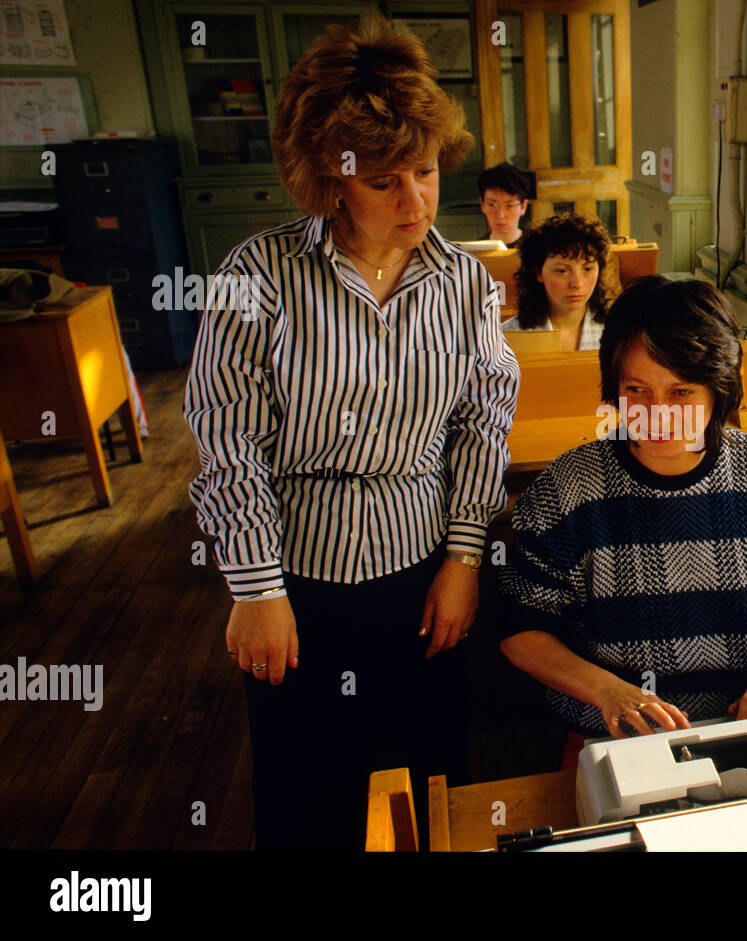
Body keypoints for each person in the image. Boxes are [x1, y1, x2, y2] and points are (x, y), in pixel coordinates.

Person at [183, 16, 520, 850]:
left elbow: (482, 427)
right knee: (308, 793)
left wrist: (465, 559)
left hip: (422, 571)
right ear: (329, 180)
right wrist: (257, 589)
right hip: (296, 577)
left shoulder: (467, 287)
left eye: (427, 171)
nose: (414, 202)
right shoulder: (255, 276)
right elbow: (228, 439)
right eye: (382, 182)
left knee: (427, 779)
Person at [497, 276, 747, 768]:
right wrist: (608, 692)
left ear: (719, 391)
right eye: (636, 389)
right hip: (615, 742)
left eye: (681, 392)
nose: (657, 414)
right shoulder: (566, 489)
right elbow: (520, 629)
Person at [500, 214, 611, 352]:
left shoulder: (617, 330)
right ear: (538, 272)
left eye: (587, 269)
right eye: (562, 271)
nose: (577, 283)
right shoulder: (508, 335)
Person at [477, 162, 534, 248]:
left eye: (509, 205)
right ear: (482, 205)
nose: (500, 215)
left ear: (523, 207)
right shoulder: (475, 253)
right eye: (492, 205)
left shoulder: (538, 247)